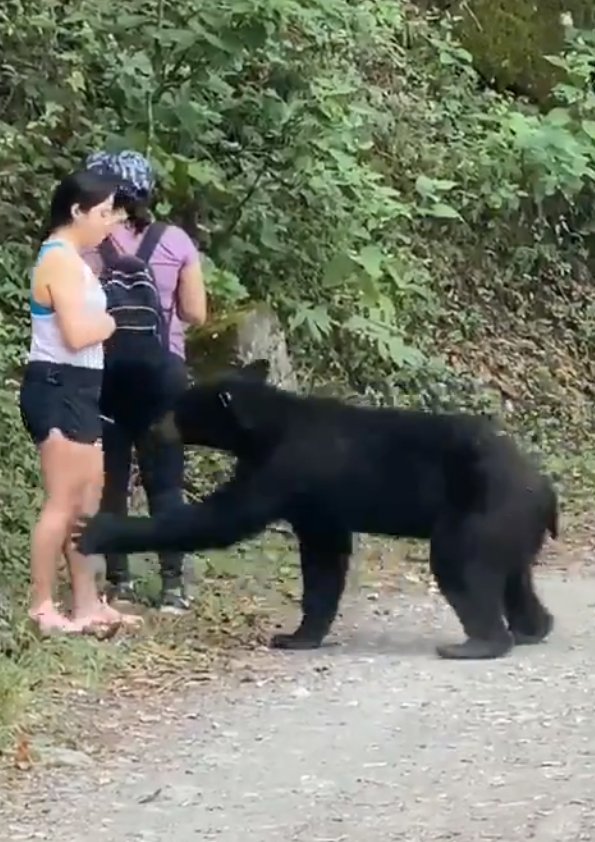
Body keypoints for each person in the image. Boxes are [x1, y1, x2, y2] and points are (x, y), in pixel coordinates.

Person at [83, 150, 207, 614]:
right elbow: (196, 312)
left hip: (105, 374)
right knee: (166, 481)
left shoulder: (87, 242)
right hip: (163, 375)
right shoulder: (175, 240)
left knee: (111, 481)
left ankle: (120, 582)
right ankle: (174, 586)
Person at [19, 169, 134, 636]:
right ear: (77, 211)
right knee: (63, 501)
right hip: (57, 384)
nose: (110, 222)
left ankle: (88, 604)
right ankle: (42, 606)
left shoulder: (77, 260)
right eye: (104, 213)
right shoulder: (59, 260)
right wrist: (110, 323)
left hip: (83, 386)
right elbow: (77, 333)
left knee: (88, 501)